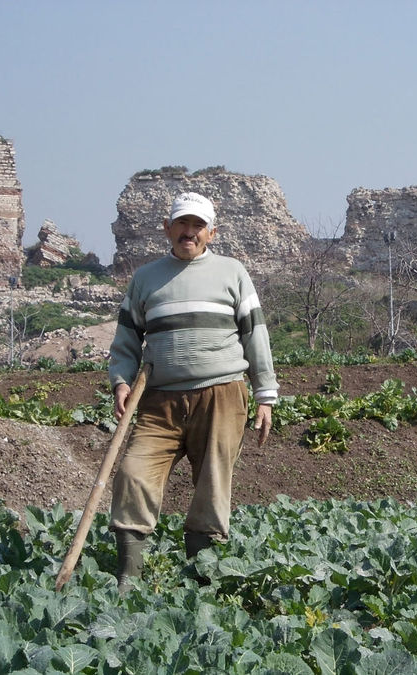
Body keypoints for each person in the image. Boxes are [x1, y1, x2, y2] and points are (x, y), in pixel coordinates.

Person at [107, 191, 278, 592]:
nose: (189, 232)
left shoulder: (233, 273)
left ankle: (203, 581)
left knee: (212, 483)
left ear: (211, 232)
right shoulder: (146, 278)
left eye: (198, 225)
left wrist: (265, 395)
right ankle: (128, 578)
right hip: (158, 400)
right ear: (167, 229)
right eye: (182, 224)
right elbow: (126, 339)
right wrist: (120, 380)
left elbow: (256, 335)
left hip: (222, 395)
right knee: (132, 474)